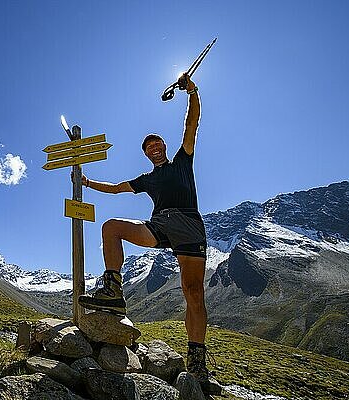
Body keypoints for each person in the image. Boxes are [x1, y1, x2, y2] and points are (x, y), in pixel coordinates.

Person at [77, 73, 221, 395]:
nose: (153, 148)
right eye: (148, 147)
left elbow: (191, 124)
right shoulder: (147, 179)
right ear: (146, 154)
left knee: (192, 292)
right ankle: (113, 291)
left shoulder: (182, 161)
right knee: (111, 227)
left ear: (164, 147)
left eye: (156, 143)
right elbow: (115, 189)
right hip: (158, 224)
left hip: (187, 224)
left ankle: (196, 357)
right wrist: (87, 184)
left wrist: (192, 90)